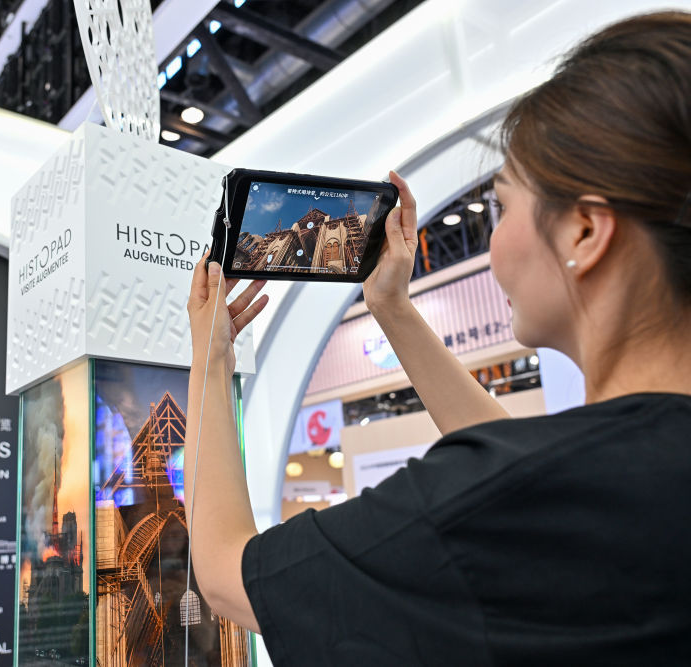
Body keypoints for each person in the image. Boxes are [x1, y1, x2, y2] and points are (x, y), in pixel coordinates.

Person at [184, 11, 691, 666]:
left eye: (503, 206)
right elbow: (525, 466)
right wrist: (392, 308)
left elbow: (228, 575)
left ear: (585, 233)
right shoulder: (612, 475)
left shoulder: (512, 497)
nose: (494, 239)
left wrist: (209, 358)